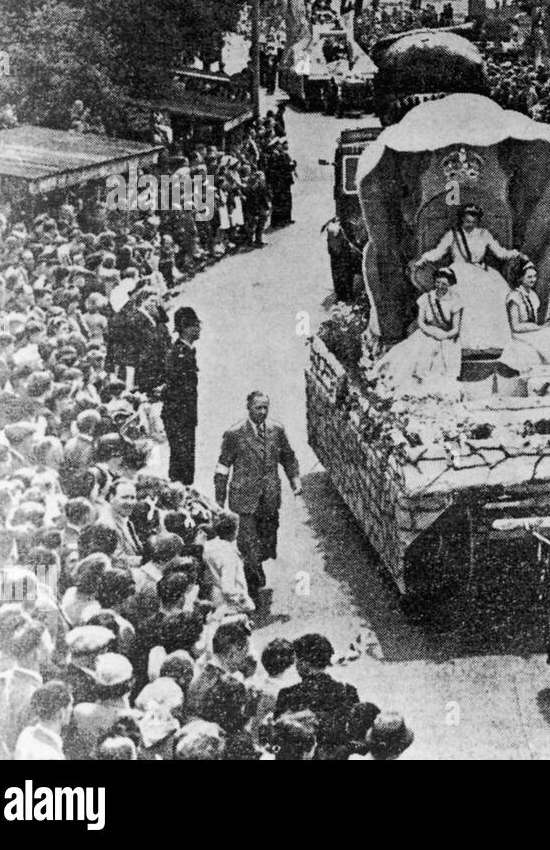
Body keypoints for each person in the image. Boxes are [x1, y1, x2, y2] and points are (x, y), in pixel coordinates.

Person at [214, 391, 301, 605]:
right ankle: (251, 586)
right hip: (244, 499)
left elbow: (287, 456)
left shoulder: (276, 430)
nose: (262, 412)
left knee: (267, 540)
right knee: (247, 543)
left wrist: (295, 479)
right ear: (248, 408)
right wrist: (219, 500)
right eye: (257, 408)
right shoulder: (234, 434)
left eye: (265, 408)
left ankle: (256, 566)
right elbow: (222, 468)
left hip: (269, 497)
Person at [412, 205, 518, 353]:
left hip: (482, 273)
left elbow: (500, 252)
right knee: (465, 299)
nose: (470, 225)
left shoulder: (483, 234)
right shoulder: (453, 234)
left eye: (473, 222)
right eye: (467, 221)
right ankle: (466, 343)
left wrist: (515, 254)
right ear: (462, 218)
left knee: (495, 297)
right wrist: (424, 259)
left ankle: (491, 341)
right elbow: (438, 252)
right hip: (459, 272)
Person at [370, 268, 463, 397]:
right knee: (409, 357)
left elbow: (456, 328)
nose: (440, 287)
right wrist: (431, 332)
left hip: (446, 339)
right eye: (438, 283)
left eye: (444, 284)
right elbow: (421, 322)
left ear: (450, 285)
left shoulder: (455, 301)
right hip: (425, 334)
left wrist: (444, 335)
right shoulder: (426, 298)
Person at [274, 633, 359, 760]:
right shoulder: (348, 693)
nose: (295, 665)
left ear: (303, 663)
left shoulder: (286, 695)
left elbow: (277, 738)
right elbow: (356, 738)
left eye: (297, 660)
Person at [162, 306, 201, 486]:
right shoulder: (179, 353)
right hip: (179, 415)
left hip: (184, 415)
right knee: (181, 460)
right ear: (186, 328)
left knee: (184, 459)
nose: (199, 329)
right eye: (195, 325)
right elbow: (175, 387)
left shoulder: (185, 351)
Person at [14, 681, 73, 760]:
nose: (72, 709)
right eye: (70, 705)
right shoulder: (51, 754)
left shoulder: (26, 733)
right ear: (61, 713)